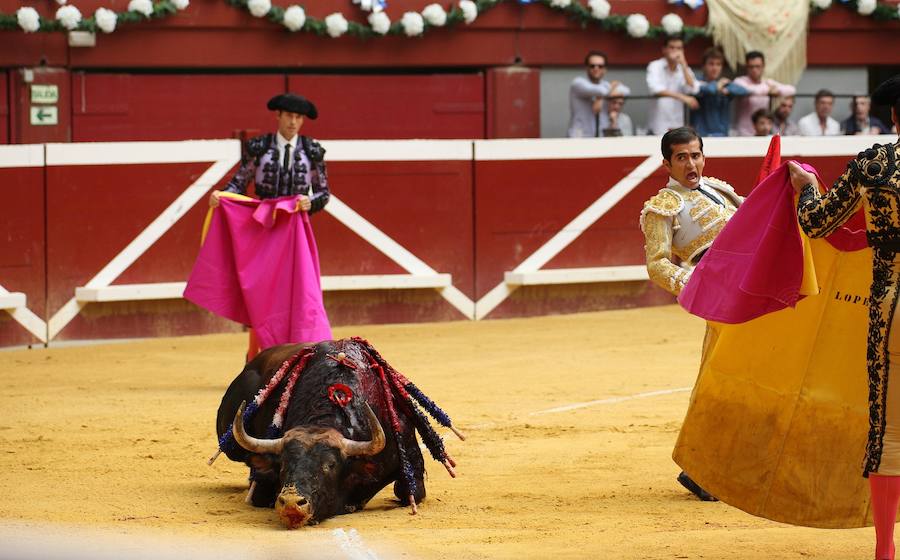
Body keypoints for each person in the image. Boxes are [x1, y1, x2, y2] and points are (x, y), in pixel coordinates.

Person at [787, 74, 900, 560]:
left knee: (891, 430)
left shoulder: (874, 161)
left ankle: (883, 549)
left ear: (891, 115)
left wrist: (807, 186)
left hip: (893, 306)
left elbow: (815, 223)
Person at [640, 127, 744, 501]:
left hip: (752, 285)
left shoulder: (718, 188)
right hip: (723, 294)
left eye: (696, 155)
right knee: (725, 377)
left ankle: (708, 466)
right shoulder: (663, 205)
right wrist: (700, 288)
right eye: (682, 157)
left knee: (741, 375)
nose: (691, 164)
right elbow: (657, 265)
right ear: (667, 163)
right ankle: (701, 468)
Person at [207, 92, 331, 360]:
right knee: (260, 293)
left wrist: (311, 203)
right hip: (262, 230)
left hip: (294, 232)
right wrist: (222, 196)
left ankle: (299, 353)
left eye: (299, 118)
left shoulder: (312, 151)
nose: (294, 123)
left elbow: (323, 194)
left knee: (299, 292)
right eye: (289, 116)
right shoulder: (259, 148)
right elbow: (238, 184)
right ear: (278, 116)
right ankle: (257, 355)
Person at [567, 50, 631, 138]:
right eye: (592, 66)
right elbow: (598, 91)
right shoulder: (578, 83)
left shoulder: (606, 85)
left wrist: (601, 98)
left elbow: (626, 91)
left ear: (605, 69)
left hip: (600, 139)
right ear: (586, 68)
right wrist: (607, 92)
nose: (596, 68)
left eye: (600, 66)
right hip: (580, 138)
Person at [733, 51, 796, 136]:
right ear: (746, 67)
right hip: (744, 132)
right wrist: (768, 90)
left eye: (757, 66)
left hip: (763, 132)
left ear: (763, 67)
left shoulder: (766, 82)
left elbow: (791, 90)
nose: (754, 70)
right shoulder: (740, 81)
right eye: (751, 67)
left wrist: (777, 91)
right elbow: (749, 90)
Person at [645, 36, 700, 135]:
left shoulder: (685, 68)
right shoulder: (655, 66)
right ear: (664, 50)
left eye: (679, 48)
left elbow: (693, 89)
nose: (675, 51)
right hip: (659, 122)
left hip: (678, 123)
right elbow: (655, 89)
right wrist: (682, 97)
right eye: (672, 47)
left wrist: (684, 65)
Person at [690, 46, 747, 137]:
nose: (715, 68)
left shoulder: (724, 83)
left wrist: (727, 90)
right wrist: (718, 85)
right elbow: (709, 90)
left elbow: (743, 90)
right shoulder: (697, 82)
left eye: (718, 64)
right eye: (711, 64)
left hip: (722, 134)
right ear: (704, 66)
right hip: (700, 134)